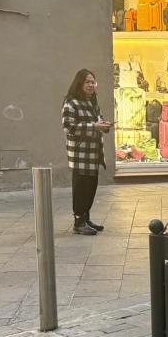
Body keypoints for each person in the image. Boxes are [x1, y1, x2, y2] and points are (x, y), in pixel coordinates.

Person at [62, 69, 111, 235]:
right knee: (81, 189)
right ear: (79, 83)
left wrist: (104, 125)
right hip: (80, 155)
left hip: (94, 152)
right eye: (87, 82)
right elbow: (69, 127)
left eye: (93, 82)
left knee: (91, 187)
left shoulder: (92, 102)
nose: (91, 85)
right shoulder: (71, 103)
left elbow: (98, 120)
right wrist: (94, 127)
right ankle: (78, 222)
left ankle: (86, 217)